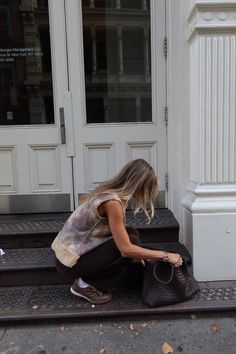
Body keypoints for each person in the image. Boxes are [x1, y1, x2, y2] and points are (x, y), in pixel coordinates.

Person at [51, 159, 183, 305]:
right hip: (70, 263)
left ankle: (138, 269)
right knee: (129, 245)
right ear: (138, 184)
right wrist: (165, 256)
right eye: (147, 189)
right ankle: (85, 285)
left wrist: (142, 255)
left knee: (131, 234)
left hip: (68, 256)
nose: (146, 195)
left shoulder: (109, 193)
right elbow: (126, 249)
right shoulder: (113, 202)